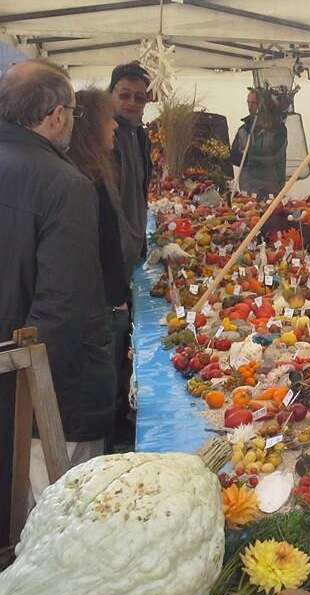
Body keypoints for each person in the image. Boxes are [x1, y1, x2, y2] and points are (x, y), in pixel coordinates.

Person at [0, 60, 112, 523]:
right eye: (71, 110)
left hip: (10, 373)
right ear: (55, 115)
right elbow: (66, 310)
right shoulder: (64, 184)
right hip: (45, 397)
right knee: (49, 530)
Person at [69, 89, 130, 453]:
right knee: (102, 378)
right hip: (100, 306)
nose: (115, 129)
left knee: (109, 375)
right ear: (92, 126)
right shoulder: (83, 180)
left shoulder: (94, 172)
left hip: (107, 300)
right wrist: (113, 297)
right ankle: (108, 440)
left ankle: (113, 431)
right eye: (109, 121)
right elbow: (95, 247)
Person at [109, 62, 153, 270]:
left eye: (140, 97)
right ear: (111, 95)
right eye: (124, 95)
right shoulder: (103, 136)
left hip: (134, 239)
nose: (132, 103)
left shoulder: (141, 135)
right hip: (113, 245)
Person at [230, 88, 288, 197]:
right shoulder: (244, 129)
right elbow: (234, 157)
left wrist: (250, 158)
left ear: (263, 105)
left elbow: (275, 157)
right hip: (247, 185)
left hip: (270, 186)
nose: (250, 106)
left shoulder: (278, 130)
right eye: (248, 102)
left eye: (254, 103)